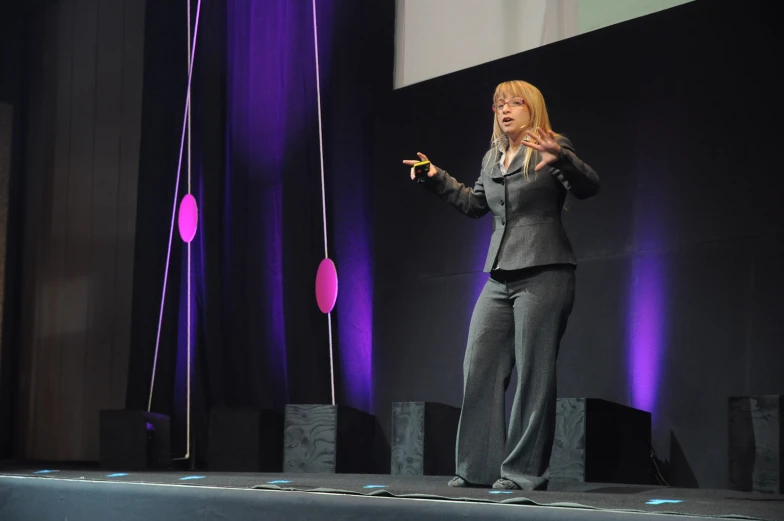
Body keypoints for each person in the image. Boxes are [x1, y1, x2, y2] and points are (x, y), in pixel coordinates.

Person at [402, 80, 600, 491]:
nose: (504, 109)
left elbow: (588, 185)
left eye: (514, 102)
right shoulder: (492, 158)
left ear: (532, 108)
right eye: (498, 104)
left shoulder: (551, 145)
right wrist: (437, 177)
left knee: (534, 373)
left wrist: (560, 159)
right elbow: (476, 205)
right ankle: (477, 468)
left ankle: (523, 473)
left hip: (545, 270)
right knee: (480, 365)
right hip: (499, 275)